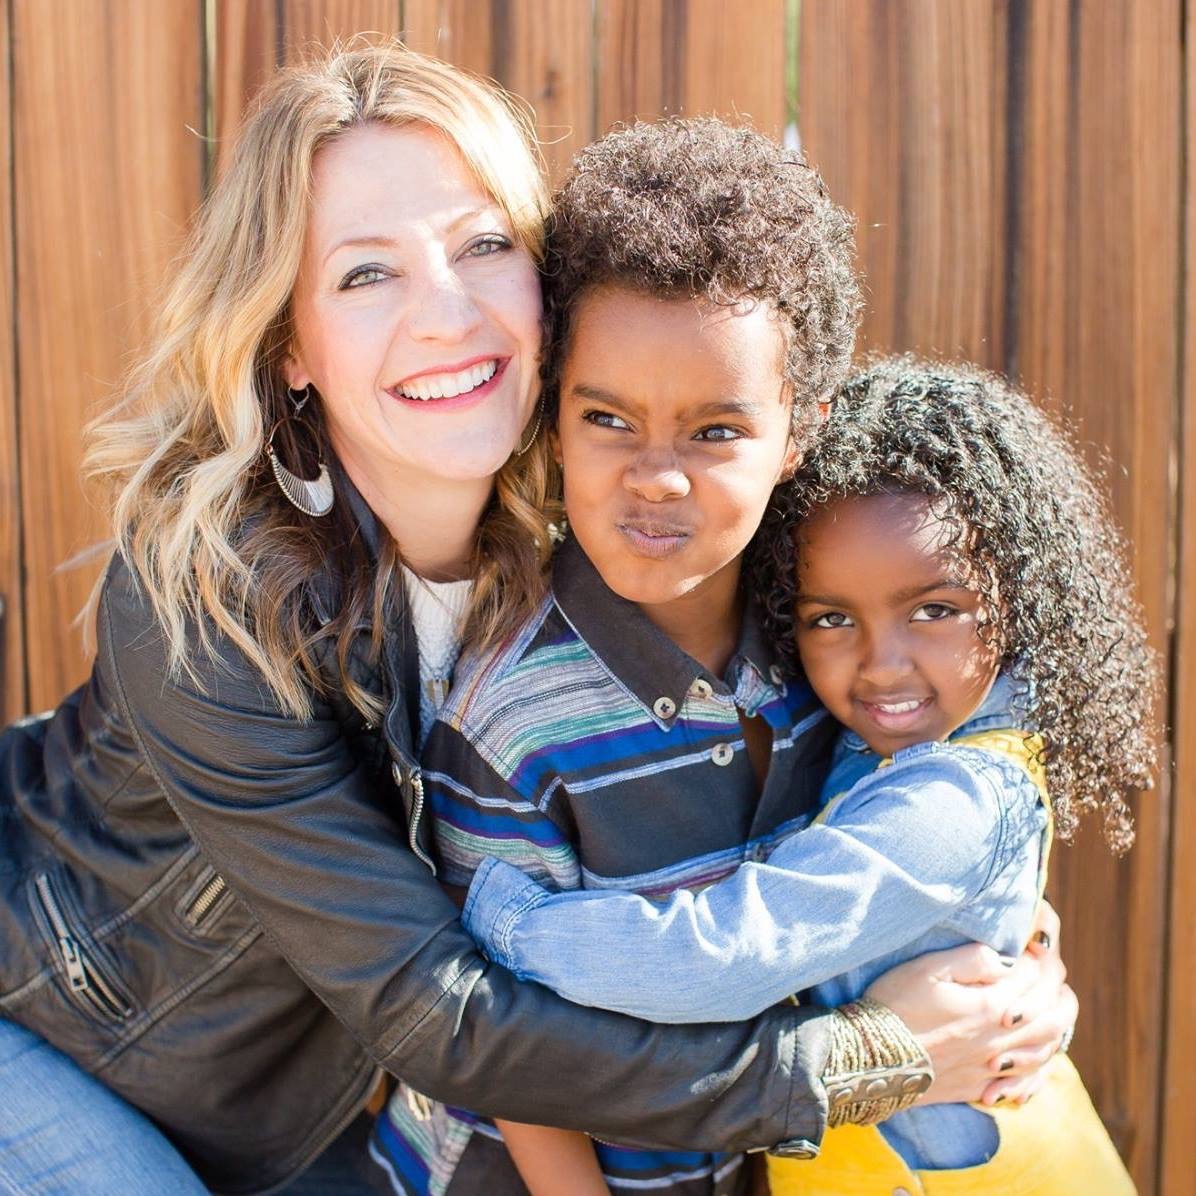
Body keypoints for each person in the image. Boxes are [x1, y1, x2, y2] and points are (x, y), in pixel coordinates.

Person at [0, 44, 1074, 1196]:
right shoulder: (211, 608)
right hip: (65, 1025)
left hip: (325, 1097)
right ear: (289, 344)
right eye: (366, 274)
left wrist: (997, 948)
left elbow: (902, 709)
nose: (445, 312)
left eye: (480, 245)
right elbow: (439, 1006)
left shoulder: (621, 498)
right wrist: (861, 1058)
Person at [371, 122, 1080, 1196]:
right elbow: (507, 1050)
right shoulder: (510, 714)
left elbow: (919, 849)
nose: (657, 476)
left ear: (798, 432)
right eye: (608, 417)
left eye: (714, 431)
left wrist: (1027, 955)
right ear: (553, 419)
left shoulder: (827, 644)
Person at [462, 359, 1159, 1194]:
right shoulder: (863, 722)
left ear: (1019, 595)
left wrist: (511, 927)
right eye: (832, 618)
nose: (882, 663)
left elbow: (732, 953)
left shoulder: (956, 799)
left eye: (935, 610)